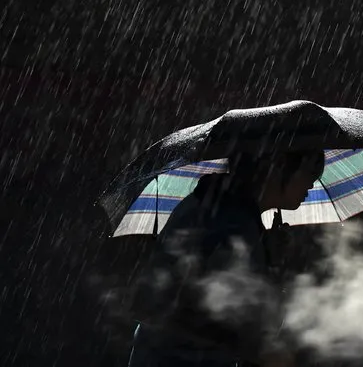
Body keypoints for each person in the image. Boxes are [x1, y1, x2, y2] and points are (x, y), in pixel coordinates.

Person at [127, 149, 326, 367]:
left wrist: (267, 251)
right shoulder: (231, 223)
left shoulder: (220, 206)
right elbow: (236, 321)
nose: (312, 183)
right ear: (276, 167)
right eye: (311, 170)